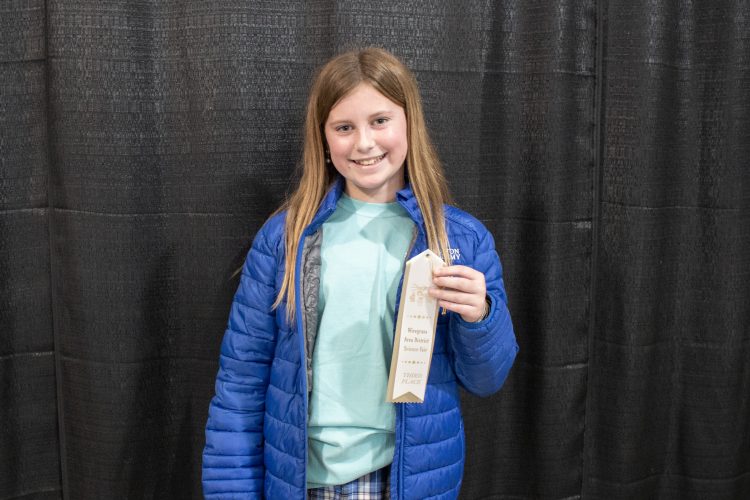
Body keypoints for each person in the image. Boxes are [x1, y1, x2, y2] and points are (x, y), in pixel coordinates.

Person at [202, 47, 518, 500]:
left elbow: (487, 379)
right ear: (324, 138)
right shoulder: (284, 239)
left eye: (380, 121)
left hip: (405, 482)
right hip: (301, 484)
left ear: (410, 124)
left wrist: (480, 316)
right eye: (344, 127)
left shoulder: (459, 240)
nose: (364, 143)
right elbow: (240, 383)